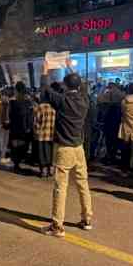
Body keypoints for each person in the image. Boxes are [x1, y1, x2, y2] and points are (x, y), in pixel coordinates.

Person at [41, 61, 93, 238]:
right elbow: (83, 85)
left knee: (60, 187)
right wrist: (71, 66)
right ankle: (87, 219)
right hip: (79, 147)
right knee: (82, 183)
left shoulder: (62, 101)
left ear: (64, 85)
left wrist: (45, 70)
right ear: (78, 85)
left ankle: (57, 225)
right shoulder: (85, 99)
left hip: (64, 148)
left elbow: (46, 89)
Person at [9, 82, 31, 173]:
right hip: (23, 128)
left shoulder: (12, 102)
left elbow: (10, 115)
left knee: (15, 147)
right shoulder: (27, 102)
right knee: (21, 146)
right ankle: (17, 165)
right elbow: (29, 116)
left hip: (15, 127)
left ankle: (16, 165)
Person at [33, 91, 56, 178]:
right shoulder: (54, 108)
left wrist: (35, 132)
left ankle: (44, 170)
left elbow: (36, 122)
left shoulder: (39, 108)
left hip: (41, 134)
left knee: (42, 153)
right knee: (50, 152)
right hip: (51, 134)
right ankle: (50, 169)